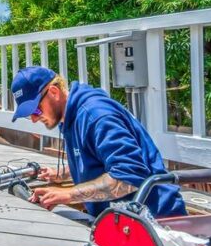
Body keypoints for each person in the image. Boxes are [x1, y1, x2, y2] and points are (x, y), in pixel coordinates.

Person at [11, 65, 186, 220]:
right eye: (28, 114)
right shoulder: (69, 118)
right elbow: (98, 161)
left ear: (54, 92)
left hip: (159, 223)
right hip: (125, 222)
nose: (34, 119)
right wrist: (63, 174)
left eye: (35, 109)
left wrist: (68, 194)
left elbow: (129, 177)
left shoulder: (96, 116)